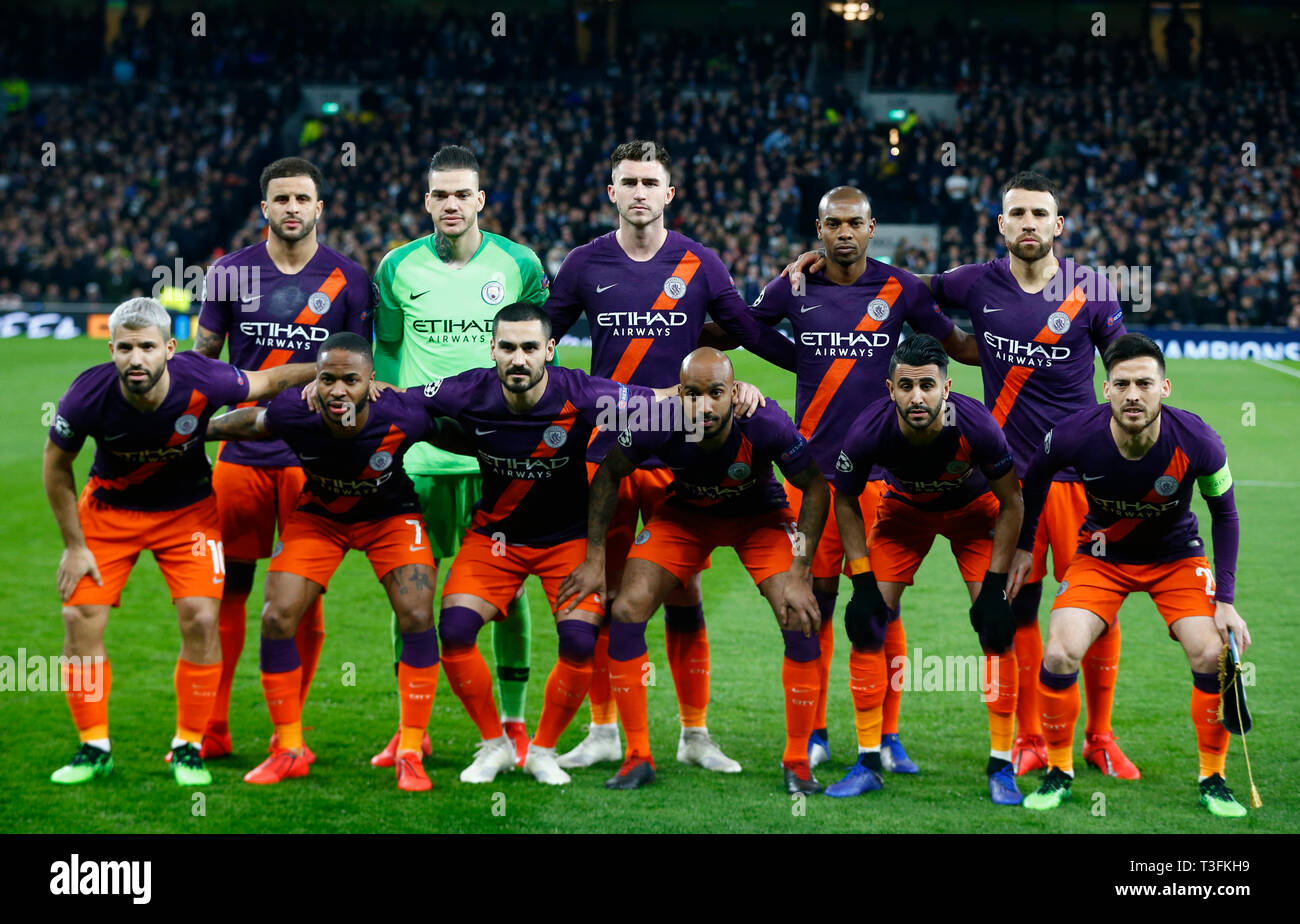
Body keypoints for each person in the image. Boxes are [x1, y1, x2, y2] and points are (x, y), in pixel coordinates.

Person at [787, 171, 1134, 780]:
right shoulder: (973, 282)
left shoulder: (1094, 289)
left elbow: (1126, 372)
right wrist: (826, 266)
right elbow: (899, 290)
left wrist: (1130, 452)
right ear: (1001, 224)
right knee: (1017, 608)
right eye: (1017, 213)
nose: (1028, 223)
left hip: (1081, 477)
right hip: (1011, 480)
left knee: (1097, 605)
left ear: (1058, 225)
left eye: (1039, 214)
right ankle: (1028, 737)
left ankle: (1099, 737)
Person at [545, 139, 796, 774]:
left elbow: (748, 330)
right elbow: (540, 339)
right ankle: (604, 730)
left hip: (678, 457)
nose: (639, 192)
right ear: (612, 192)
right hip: (606, 452)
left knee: (683, 593)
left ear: (668, 193)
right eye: (628, 182)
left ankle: (694, 733)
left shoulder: (699, 262)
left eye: (649, 182)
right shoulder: (583, 263)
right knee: (603, 591)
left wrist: (821, 356)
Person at [748, 185, 977, 774]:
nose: (844, 232)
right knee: (815, 604)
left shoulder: (900, 287)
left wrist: (1024, 346)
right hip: (812, 478)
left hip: (883, 477)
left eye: (855, 223)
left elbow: (952, 344)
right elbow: (747, 327)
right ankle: (816, 731)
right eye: (834, 224)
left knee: (882, 608)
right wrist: (797, 358)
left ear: (872, 228)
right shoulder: (794, 287)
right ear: (818, 229)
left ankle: (888, 736)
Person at [43, 297, 317, 786]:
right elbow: (55, 466)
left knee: (202, 618)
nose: (136, 359)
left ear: (169, 348)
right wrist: (74, 545)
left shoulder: (204, 378)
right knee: (79, 617)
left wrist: (328, 369)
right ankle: (93, 747)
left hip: (187, 514)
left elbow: (270, 381)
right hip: (108, 513)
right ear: (111, 349)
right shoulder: (86, 395)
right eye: (125, 348)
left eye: (147, 347)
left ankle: (188, 745)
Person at [559, 347, 830, 793]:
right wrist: (594, 559)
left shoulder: (764, 421)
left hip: (759, 517)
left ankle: (798, 762)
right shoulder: (656, 419)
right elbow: (608, 473)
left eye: (716, 393)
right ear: (679, 393)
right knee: (626, 608)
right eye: (693, 394)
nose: (704, 406)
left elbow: (815, 488)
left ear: (734, 392)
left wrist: (801, 571)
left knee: (799, 613)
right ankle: (638, 756)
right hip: (685, 516)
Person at [204, 332, 463, 792]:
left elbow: (455, 431)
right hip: (320, 517)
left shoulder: (402, 413)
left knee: (418, 614)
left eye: (350, 380)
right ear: (315, 380)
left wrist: (514, 448)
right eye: (327, 379)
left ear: (371, 381)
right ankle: (289, 749)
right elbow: (252, 422)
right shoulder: (295, 411)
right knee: (277, 616)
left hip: (390, 516)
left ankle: (409, 748)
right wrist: (190, 428)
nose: (338, 390)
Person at [1011, 334, 1251, 817]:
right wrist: (1022, 547)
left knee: (1213, 654)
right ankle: (1059, 771)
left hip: (1177, 558)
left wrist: (1225, 600)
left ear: (1165, 387)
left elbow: (1225, 515)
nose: (1133, 395)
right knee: (1059, 652)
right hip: (1102, 558)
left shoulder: (1199, 441)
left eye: (1144, 383)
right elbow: (1034, 479)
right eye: (1121, 384)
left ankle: (1213, 779)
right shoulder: (1075, 434)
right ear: (1106, 390)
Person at [370, 145, 548, 768]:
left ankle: (514, 723)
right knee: (411, 594)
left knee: (509, 592)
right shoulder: (397, 267)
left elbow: (539, 349)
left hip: (500, 461)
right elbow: (386, 358)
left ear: (480, 200)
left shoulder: (519, 264)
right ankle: (408, 729)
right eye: (440, 194)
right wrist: (389, 435)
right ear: (427, 201)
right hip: (420, 460)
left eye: (462, 194)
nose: (451, 204)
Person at [194, 156, 374, 761]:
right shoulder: (230, 273)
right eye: (281, 199)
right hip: (241, 458)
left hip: (313, 462)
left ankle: (287, 735)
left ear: (319, 207)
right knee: (230, 593)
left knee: (302, 601)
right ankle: (213, 728)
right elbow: (204, 362)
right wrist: (192, 429)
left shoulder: (349, 278)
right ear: (264, 207)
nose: (292, 208)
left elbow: (362, 375)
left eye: (302, 199)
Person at [829, 334, 1025, 803]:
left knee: (996, 628)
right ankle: (868, 761)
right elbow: (845, 500)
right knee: (865, 622)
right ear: (890, 389)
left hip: (974, 514)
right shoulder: (869, 429)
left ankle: (1002, 765)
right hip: (905, 514)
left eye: (927, 386)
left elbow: (1012, 502)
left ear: (947, 388)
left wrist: (996, 586)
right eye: (906, 386)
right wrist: (862, 580)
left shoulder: (976, 425)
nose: (917, 397)